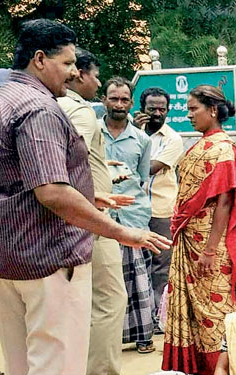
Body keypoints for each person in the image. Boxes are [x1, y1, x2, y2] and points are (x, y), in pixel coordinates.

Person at [0, 19, 169, 375]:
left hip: (8, 255)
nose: (73, 74)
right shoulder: (38, 108)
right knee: (56, 363)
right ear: (40, 60)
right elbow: (51, 191)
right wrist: (120, 231)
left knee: (22, 364)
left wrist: (94, 196)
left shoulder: (3, 97)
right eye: (68, 62)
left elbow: (19, 180)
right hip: (48, 256)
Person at [57, 48, 131, 375]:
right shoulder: (81, 111)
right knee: (110, 302)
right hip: (92, 221)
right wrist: (94, 195)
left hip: (69, 218)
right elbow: (70, 156)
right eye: (95, 75)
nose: (98, 82)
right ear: (78, 74)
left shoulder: (52, 105)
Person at [162, 85, 236, 375]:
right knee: (194, 314)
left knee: (214, 313)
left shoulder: (223, 148)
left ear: (212, 110)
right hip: (189, 241)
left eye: (193, 109)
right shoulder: (199, 145)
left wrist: (210, 250)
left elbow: (224, 202)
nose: (189, 115)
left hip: (210, 246)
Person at [101, 77, 156, 353]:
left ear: (131, 104)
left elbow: (142, 178)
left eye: (124, 100)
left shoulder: (142, 140)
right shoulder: (91, 134)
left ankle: (144, 337)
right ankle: (111, 340)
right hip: (100, 217)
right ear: (104, 101)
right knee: (109, 280)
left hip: (132, 216)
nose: (119, 104)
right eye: (114, 98)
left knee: (139, 279)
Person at [133, 86, 184, 329]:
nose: (156, 113)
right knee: (135, 264)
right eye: (151, 108)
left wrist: (136, 136)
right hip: (132, 209)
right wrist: (135, 131)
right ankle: (138, 318)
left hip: (160, 209)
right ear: (142, 109)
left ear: (168, 111)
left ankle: (158, 317)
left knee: (161, 265)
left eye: (161, 109)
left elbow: (146, 169)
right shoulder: (132, 133)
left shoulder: (173, 139)